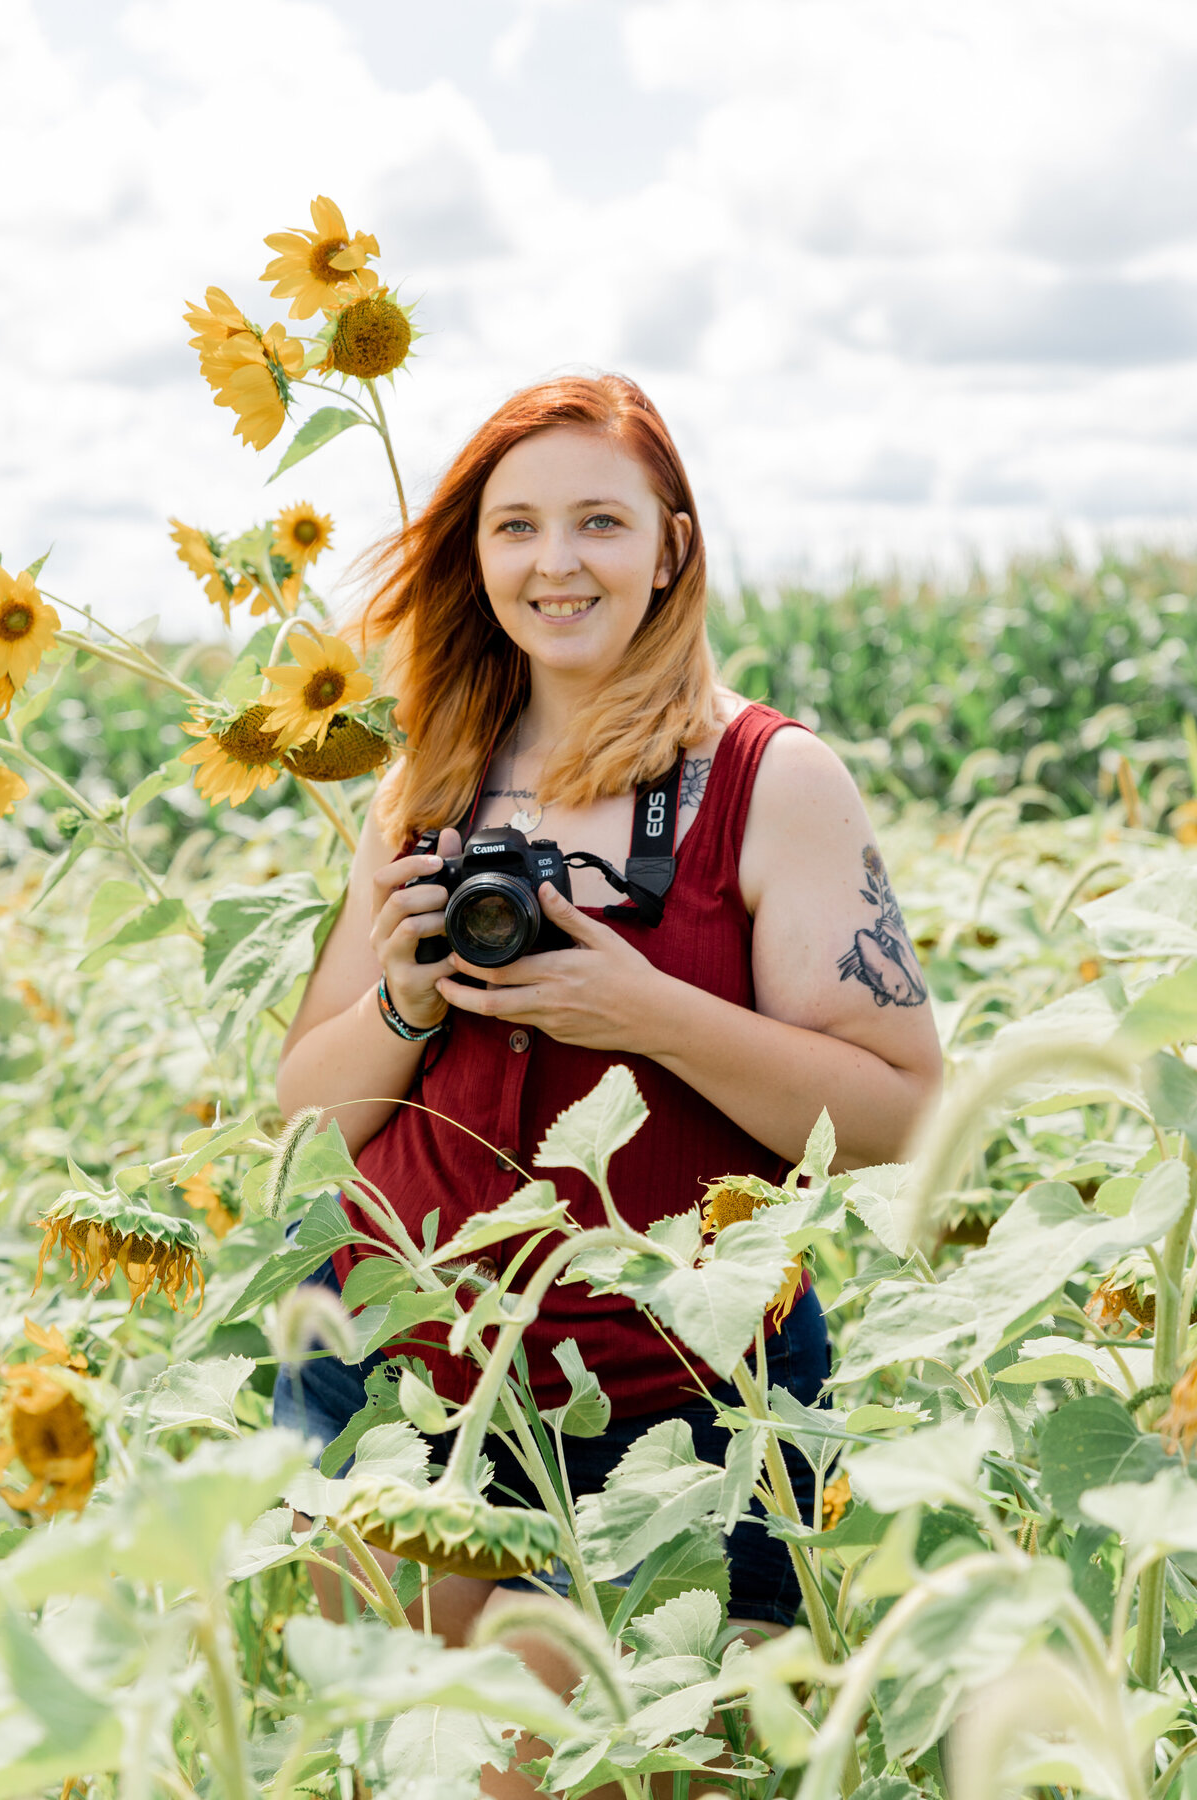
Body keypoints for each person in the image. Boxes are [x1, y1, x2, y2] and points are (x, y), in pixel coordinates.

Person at [273, 371, 941, 1722]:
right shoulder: (428, 783)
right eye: (515, 527)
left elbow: (903, 1117)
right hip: (402, 1374)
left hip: (680, 1406)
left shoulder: (769, 781)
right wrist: (402, 1002)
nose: (555, 563)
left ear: (671, 547)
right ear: (477, 554)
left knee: (634, 1761)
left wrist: (643, 1011)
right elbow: (302, 1131)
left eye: (599, 522)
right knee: (409, 1761)